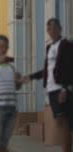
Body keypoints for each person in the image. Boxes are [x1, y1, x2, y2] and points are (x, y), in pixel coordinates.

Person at [23, 19, 73, 152]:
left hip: (61, 89)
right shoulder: (49, 47)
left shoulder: (65, 45)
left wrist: (65, 88)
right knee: (61, 122)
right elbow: (47, 70)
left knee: (63, 122)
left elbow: (69, 67)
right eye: (49, 29)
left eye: (54, 28)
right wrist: (31, 77)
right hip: (51, 90)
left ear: (60, 29)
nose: (51, 31)